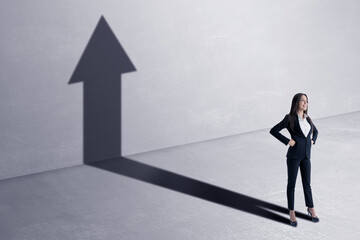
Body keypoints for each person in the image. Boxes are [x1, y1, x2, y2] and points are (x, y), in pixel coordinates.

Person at [269, 93, 319, 227]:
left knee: (307, 184)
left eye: (307, 101)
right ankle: (291, 211)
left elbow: (316, 132)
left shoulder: (308, 119)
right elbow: (273, 130)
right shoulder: (289, 118)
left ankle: (310, 207)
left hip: (306, 156)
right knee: (291, 185)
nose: (305, 103)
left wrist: (313, 141)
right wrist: (287, 141)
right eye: (302, 100)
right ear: (296, 102)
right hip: (293, 156)